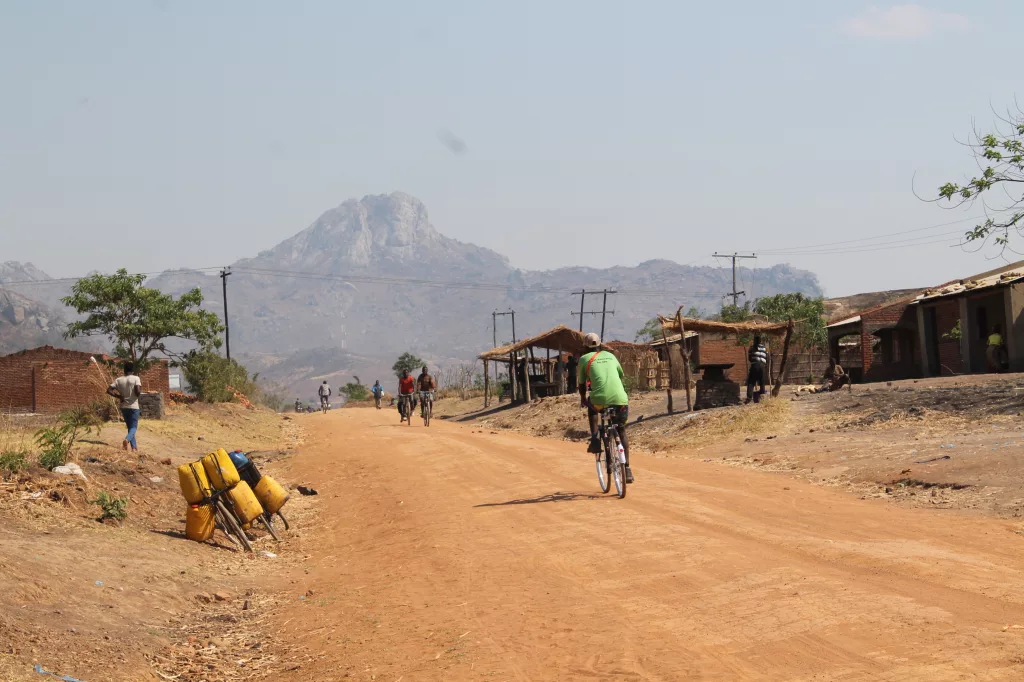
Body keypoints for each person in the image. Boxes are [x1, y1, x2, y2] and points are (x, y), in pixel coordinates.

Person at [578, 333, 633, 483]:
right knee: (621, 430)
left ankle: (595, 438)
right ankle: (627, 468)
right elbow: (620, 375)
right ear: (600, 344)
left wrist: (583, 398)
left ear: (584, 347)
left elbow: (582, 385)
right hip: (620, 399)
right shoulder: (611, 356)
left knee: (590, 404)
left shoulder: (584, 359)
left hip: (599, 401)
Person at [107, 362, 142, 452]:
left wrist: (119, 396)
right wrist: (136, 393)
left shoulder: (118, 380)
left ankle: (134, 448)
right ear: (132, 370)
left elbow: (109, 390)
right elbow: (138, 392)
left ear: (124, 370)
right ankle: (126, 440)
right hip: (134, 406)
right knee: (134, 427)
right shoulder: (136, 378)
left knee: (130, 427)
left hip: (124, 406)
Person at [746, 335, 768, 404]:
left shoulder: (751, 348)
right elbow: (767, 356)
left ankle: (749, 398)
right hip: (762, 366)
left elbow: (749, 358)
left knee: (751, 382)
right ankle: (762, 395)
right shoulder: (765, 348)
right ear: (761, 341)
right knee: (762, 381)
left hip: (755, 365)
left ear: (754, 341)